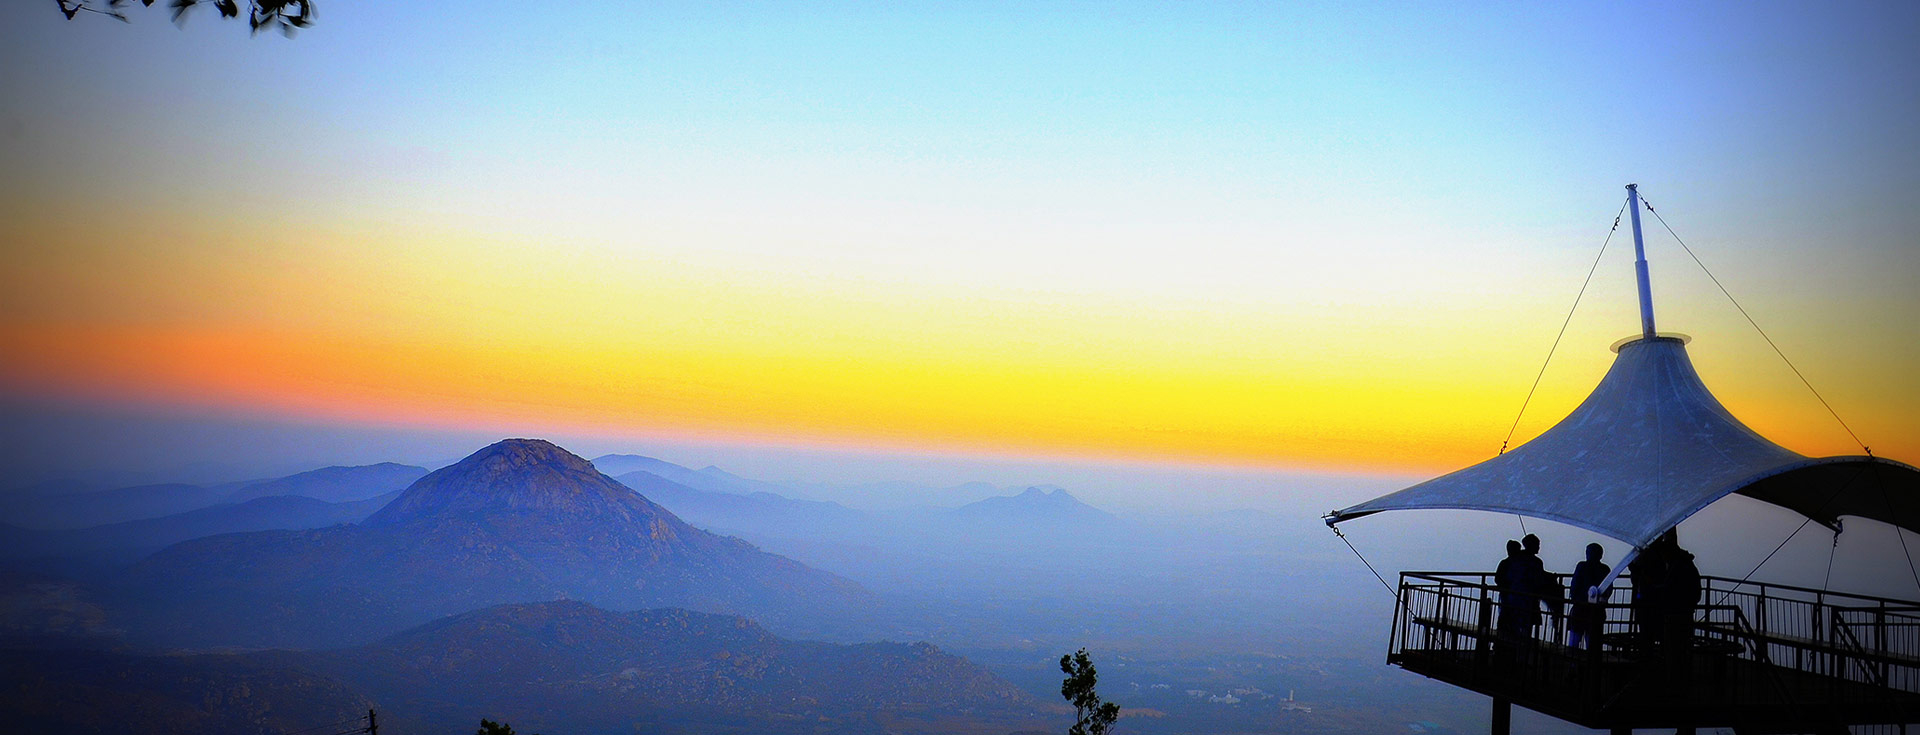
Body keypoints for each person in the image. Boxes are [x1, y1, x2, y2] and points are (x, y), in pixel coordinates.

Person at [1568, 543, 1610, 650]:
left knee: (1575, 640)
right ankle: (1591, 664)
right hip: (1596, 610)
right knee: (1593, 642)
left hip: (1580, 608)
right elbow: (1608, 589)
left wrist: (1577, 598)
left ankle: (1572, 663)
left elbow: (1574, 586)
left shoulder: (1582, 566)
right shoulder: (1604, 569)